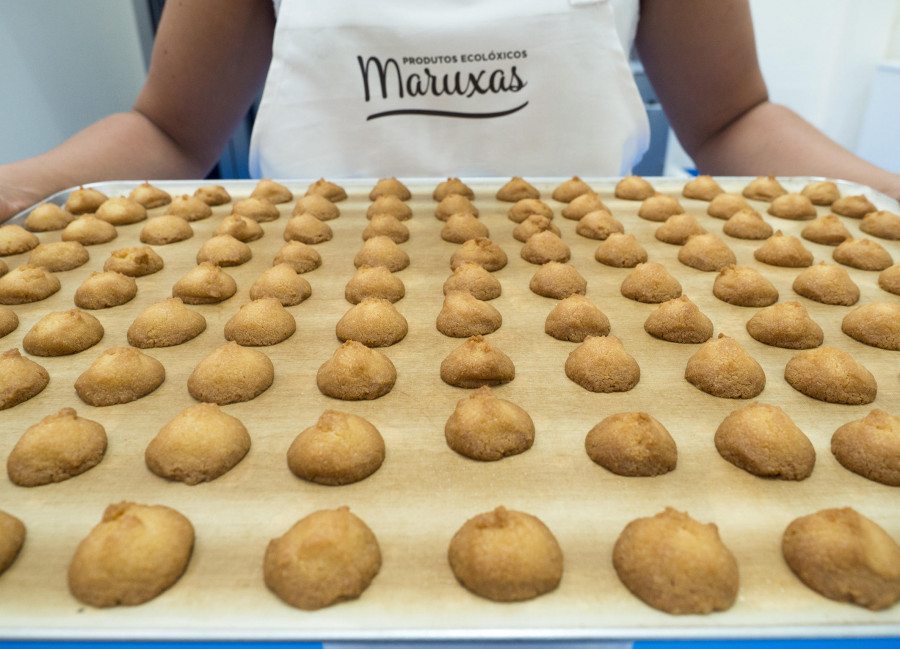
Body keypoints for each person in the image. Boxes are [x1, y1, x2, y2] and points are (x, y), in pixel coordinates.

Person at [1, 0, 898, 222]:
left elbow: (734, 117)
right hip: (304, 301)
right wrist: (25, 187)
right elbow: (169, 130)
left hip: (602, 299)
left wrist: (885, 196)